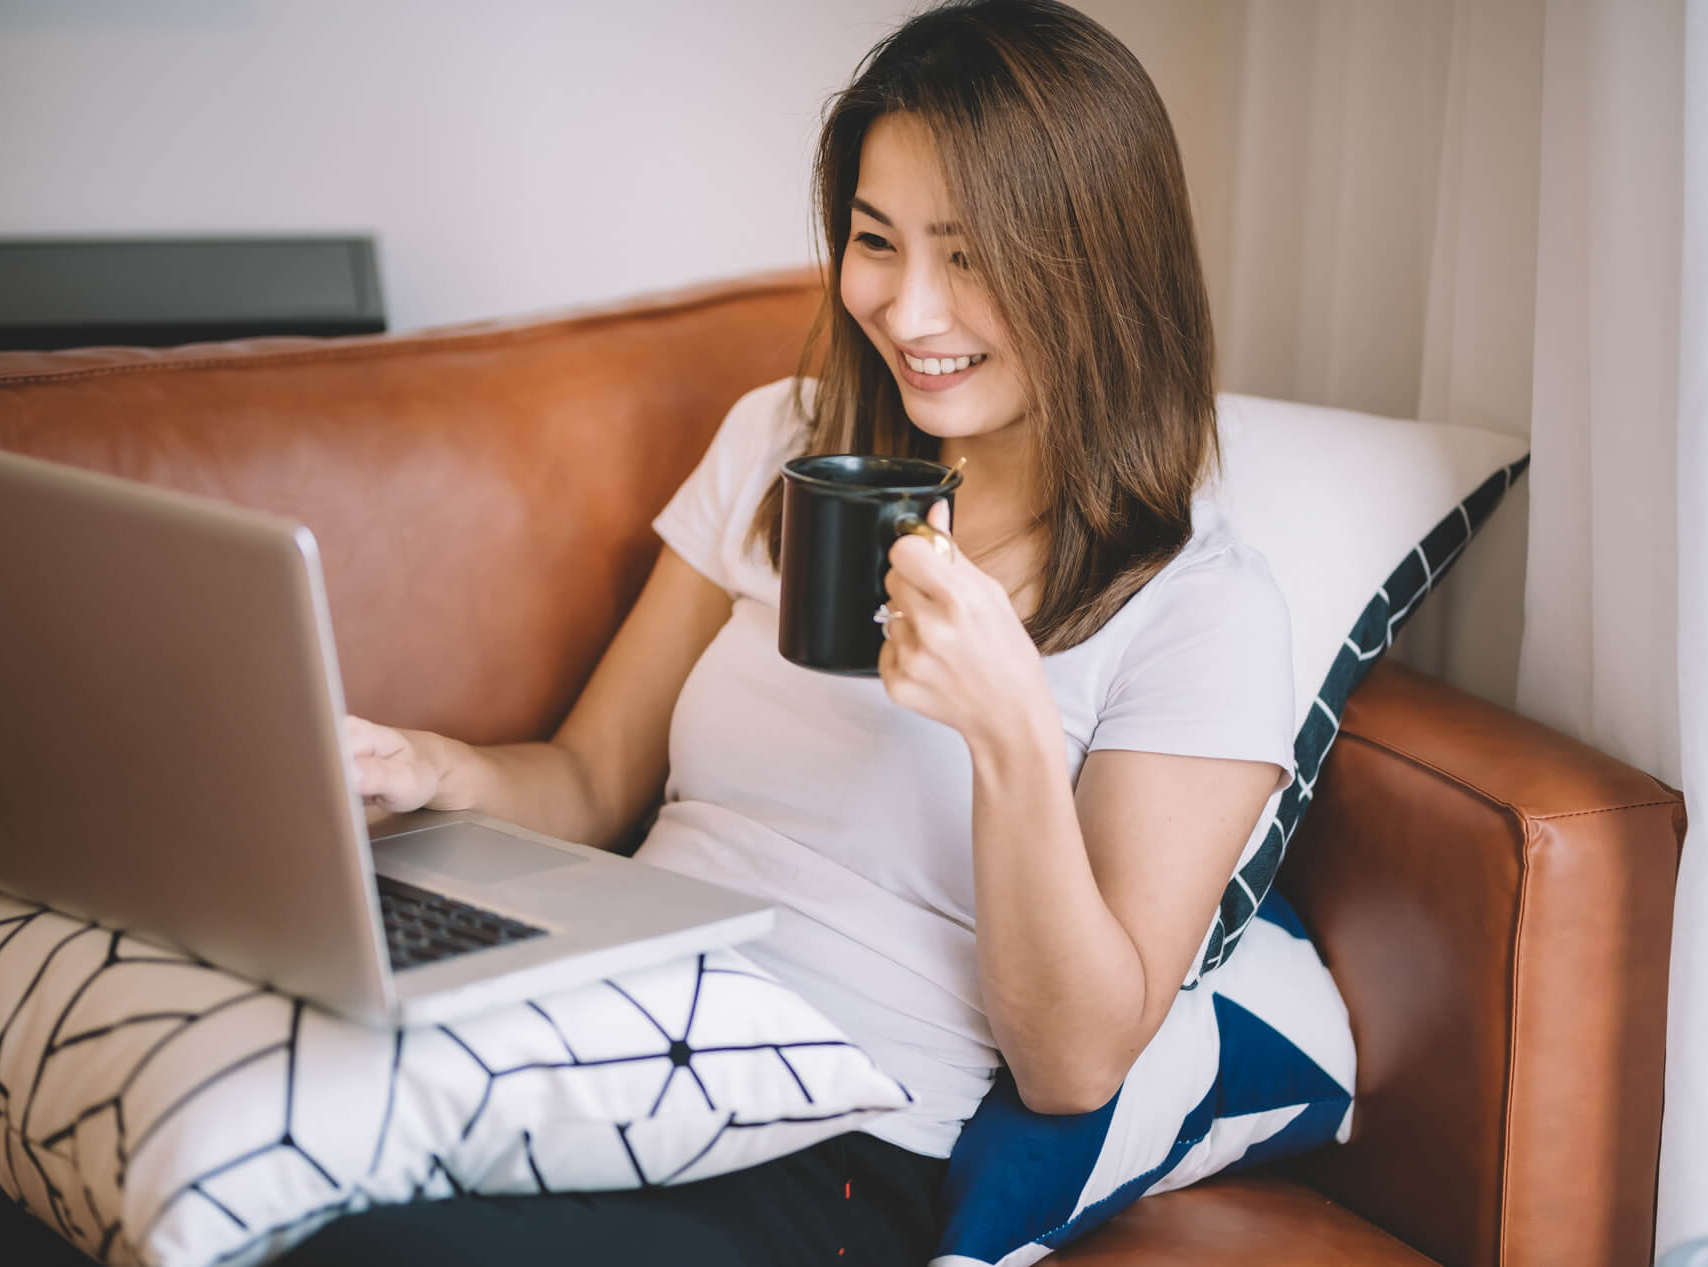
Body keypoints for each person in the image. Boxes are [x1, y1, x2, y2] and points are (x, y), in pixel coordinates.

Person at [291, 1, 1296, 1262]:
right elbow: (596, 780)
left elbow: (1074, 1063)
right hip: (603, 1022)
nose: (912, 311)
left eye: (974, 257)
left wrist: (1010, 734)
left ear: (1098, 264)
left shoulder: (1203, 611)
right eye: (877, 242)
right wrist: (433, 771)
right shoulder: (783, 440)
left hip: (829, 1141)